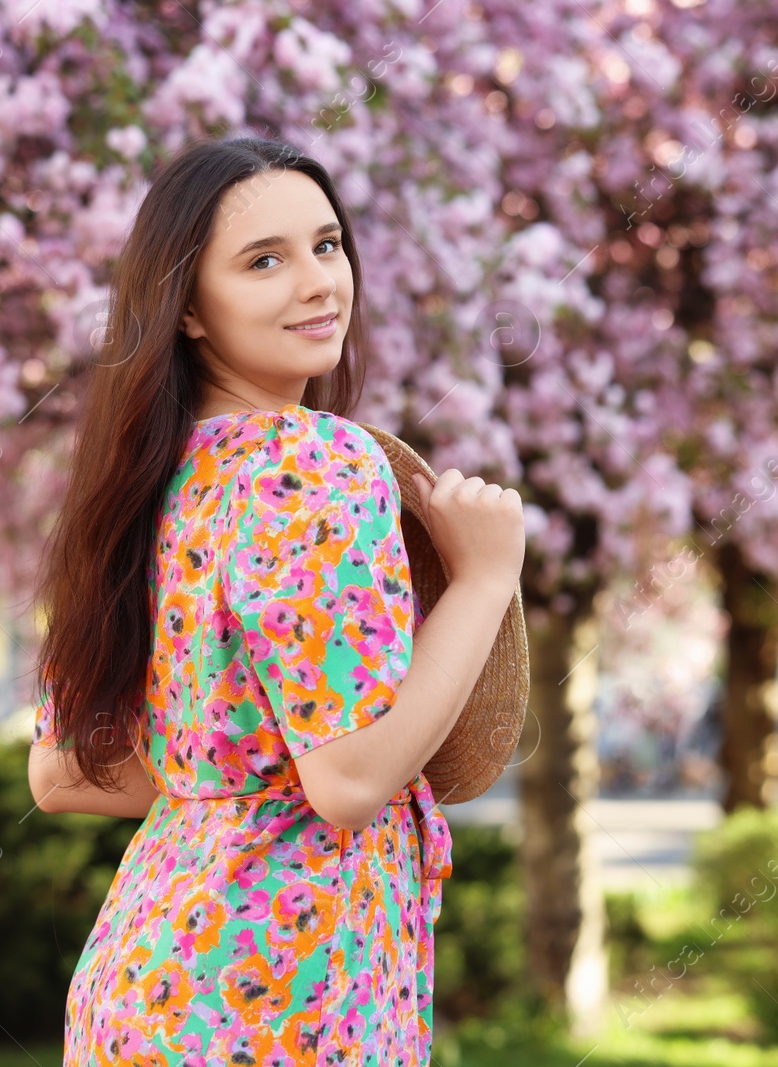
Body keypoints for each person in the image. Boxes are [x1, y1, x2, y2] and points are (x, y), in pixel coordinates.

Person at [26, 135, 524, 1065]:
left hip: (142, 990)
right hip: (285, 1007)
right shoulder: (316, 462)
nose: (318, 283)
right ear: (188, 311)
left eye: (328, 246)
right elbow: (349, 781)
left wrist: (245, 772)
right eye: (265, 261)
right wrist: (486, 577)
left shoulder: (137, 482)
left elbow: (65, 773)